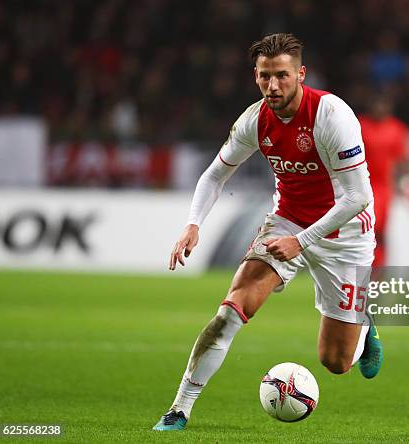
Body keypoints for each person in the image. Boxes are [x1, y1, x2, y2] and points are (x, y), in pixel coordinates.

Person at [153, 33, 383, 431]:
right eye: (264, 77)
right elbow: (214, 175)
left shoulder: (332, 116)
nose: (272, 86)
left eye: (281, 76)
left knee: (336, 362)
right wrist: (193, 224)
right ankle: (179, 409)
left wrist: (303, 241)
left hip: (344, 232)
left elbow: (358, 197)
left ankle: (364, 326)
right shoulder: (254, 120)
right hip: (287, 221)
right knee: (230, 310)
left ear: (301, 74)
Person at [359, 95, 409, 268]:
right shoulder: (361, 125)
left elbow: (402, 158)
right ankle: (361, 266)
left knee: (380, 229)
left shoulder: (397, 128)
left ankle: (379, 267)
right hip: (361, 186)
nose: (380, 109)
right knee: (364, 229)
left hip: (384, 188)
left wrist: (407, 181)